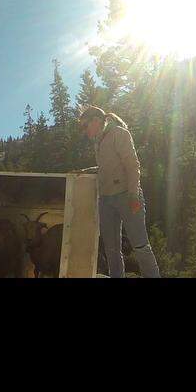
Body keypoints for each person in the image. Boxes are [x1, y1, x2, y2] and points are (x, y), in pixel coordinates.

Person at [75, 105, 161, 278]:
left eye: (85, 126)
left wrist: (133, 195)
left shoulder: (119, 133)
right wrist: (88, 170)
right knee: (111, 249)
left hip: (126, 195)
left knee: (140, 246)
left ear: (97, 121)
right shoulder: (98, 141)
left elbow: (133, 165)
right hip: (106, 199)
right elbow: (107, 167)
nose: (84, 131)